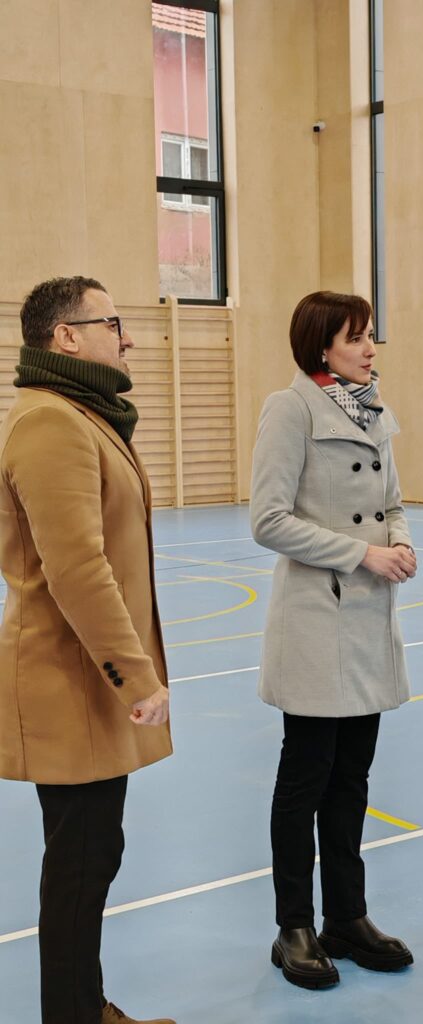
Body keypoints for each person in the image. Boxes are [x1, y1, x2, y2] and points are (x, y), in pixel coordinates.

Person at [0, 277, 175, 1024]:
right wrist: (135, 675)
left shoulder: (80, 415)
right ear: (65, 336)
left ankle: (82, 1007)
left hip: (83, 681)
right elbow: (75, 568)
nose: (127, 336)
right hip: (68, 681)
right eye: (112, 322)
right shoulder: (51, 423)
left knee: (91, 855)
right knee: (79, 864)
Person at [250, 290, 416, 989]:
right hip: (318, 620)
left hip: (368, 616)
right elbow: (268, 519)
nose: (370, 348)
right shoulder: (290, 409)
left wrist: (400, 543)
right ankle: (294, 926)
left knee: (351, 780)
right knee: (305, 779)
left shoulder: (370, 408)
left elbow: (393, 503)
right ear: (322, 346)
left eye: (371, 335)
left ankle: (347, 916)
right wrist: (361, 553)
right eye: (356, 338)